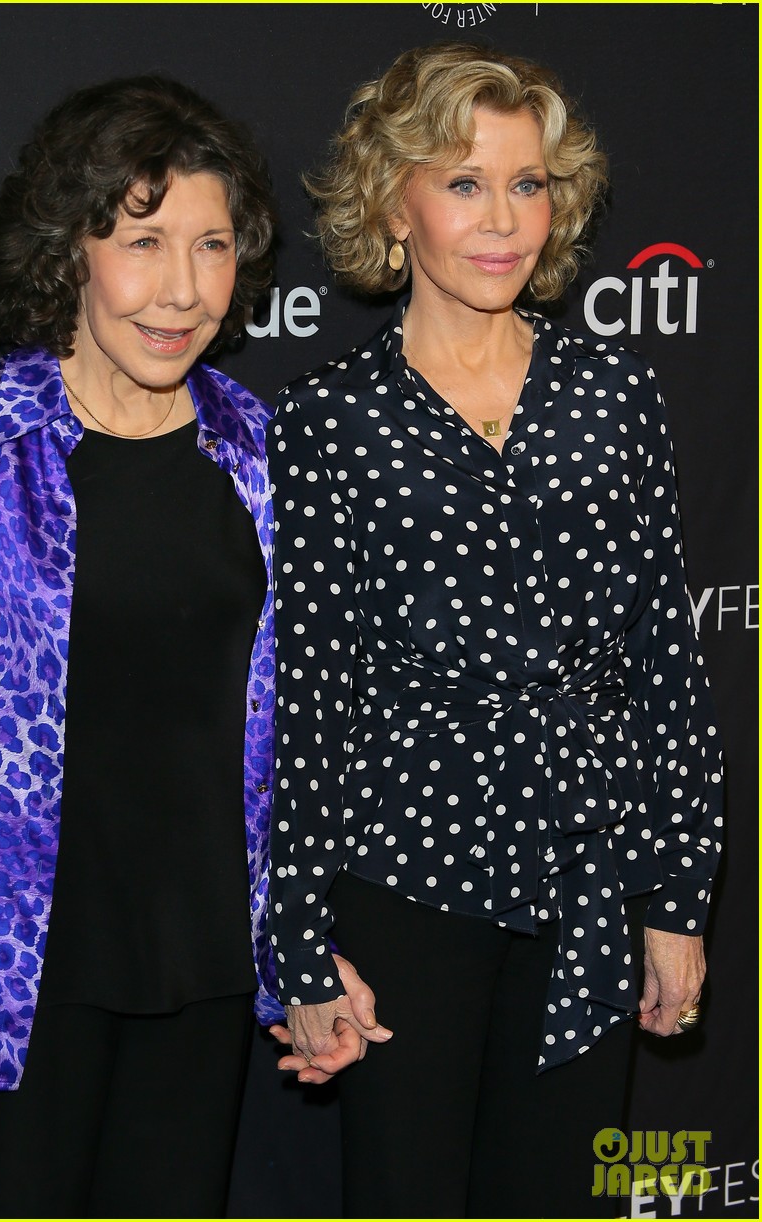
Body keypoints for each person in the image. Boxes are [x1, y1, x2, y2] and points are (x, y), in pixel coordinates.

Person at [265, 43, 722, 1218]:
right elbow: (313, 697)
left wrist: (675, 898)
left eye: (529, 184)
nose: (505, 218)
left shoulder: (613, 396)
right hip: (406, 883)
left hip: (586, 877)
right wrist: (302, 942)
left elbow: (664, 666)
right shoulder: (328, 422)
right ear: (394, 203)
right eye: (465, 182)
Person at [0, 75, 285, 1219]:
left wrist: (299, 953)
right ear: (70, 249)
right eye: (142, 240)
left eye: (212, 244)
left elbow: (303, 738)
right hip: (16, 996)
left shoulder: (260, 455)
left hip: (205, 975)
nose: (181, 288)